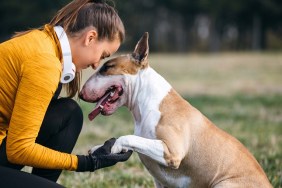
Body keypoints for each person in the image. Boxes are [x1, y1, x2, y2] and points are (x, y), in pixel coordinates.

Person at [0, 0, 132, 187]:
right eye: (102, 55)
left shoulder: (43, 42)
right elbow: (19, 149)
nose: (96, 64)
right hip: (10, 147)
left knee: (69, 113)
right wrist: (87, 162)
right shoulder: (44, 63)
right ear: (90, 38)